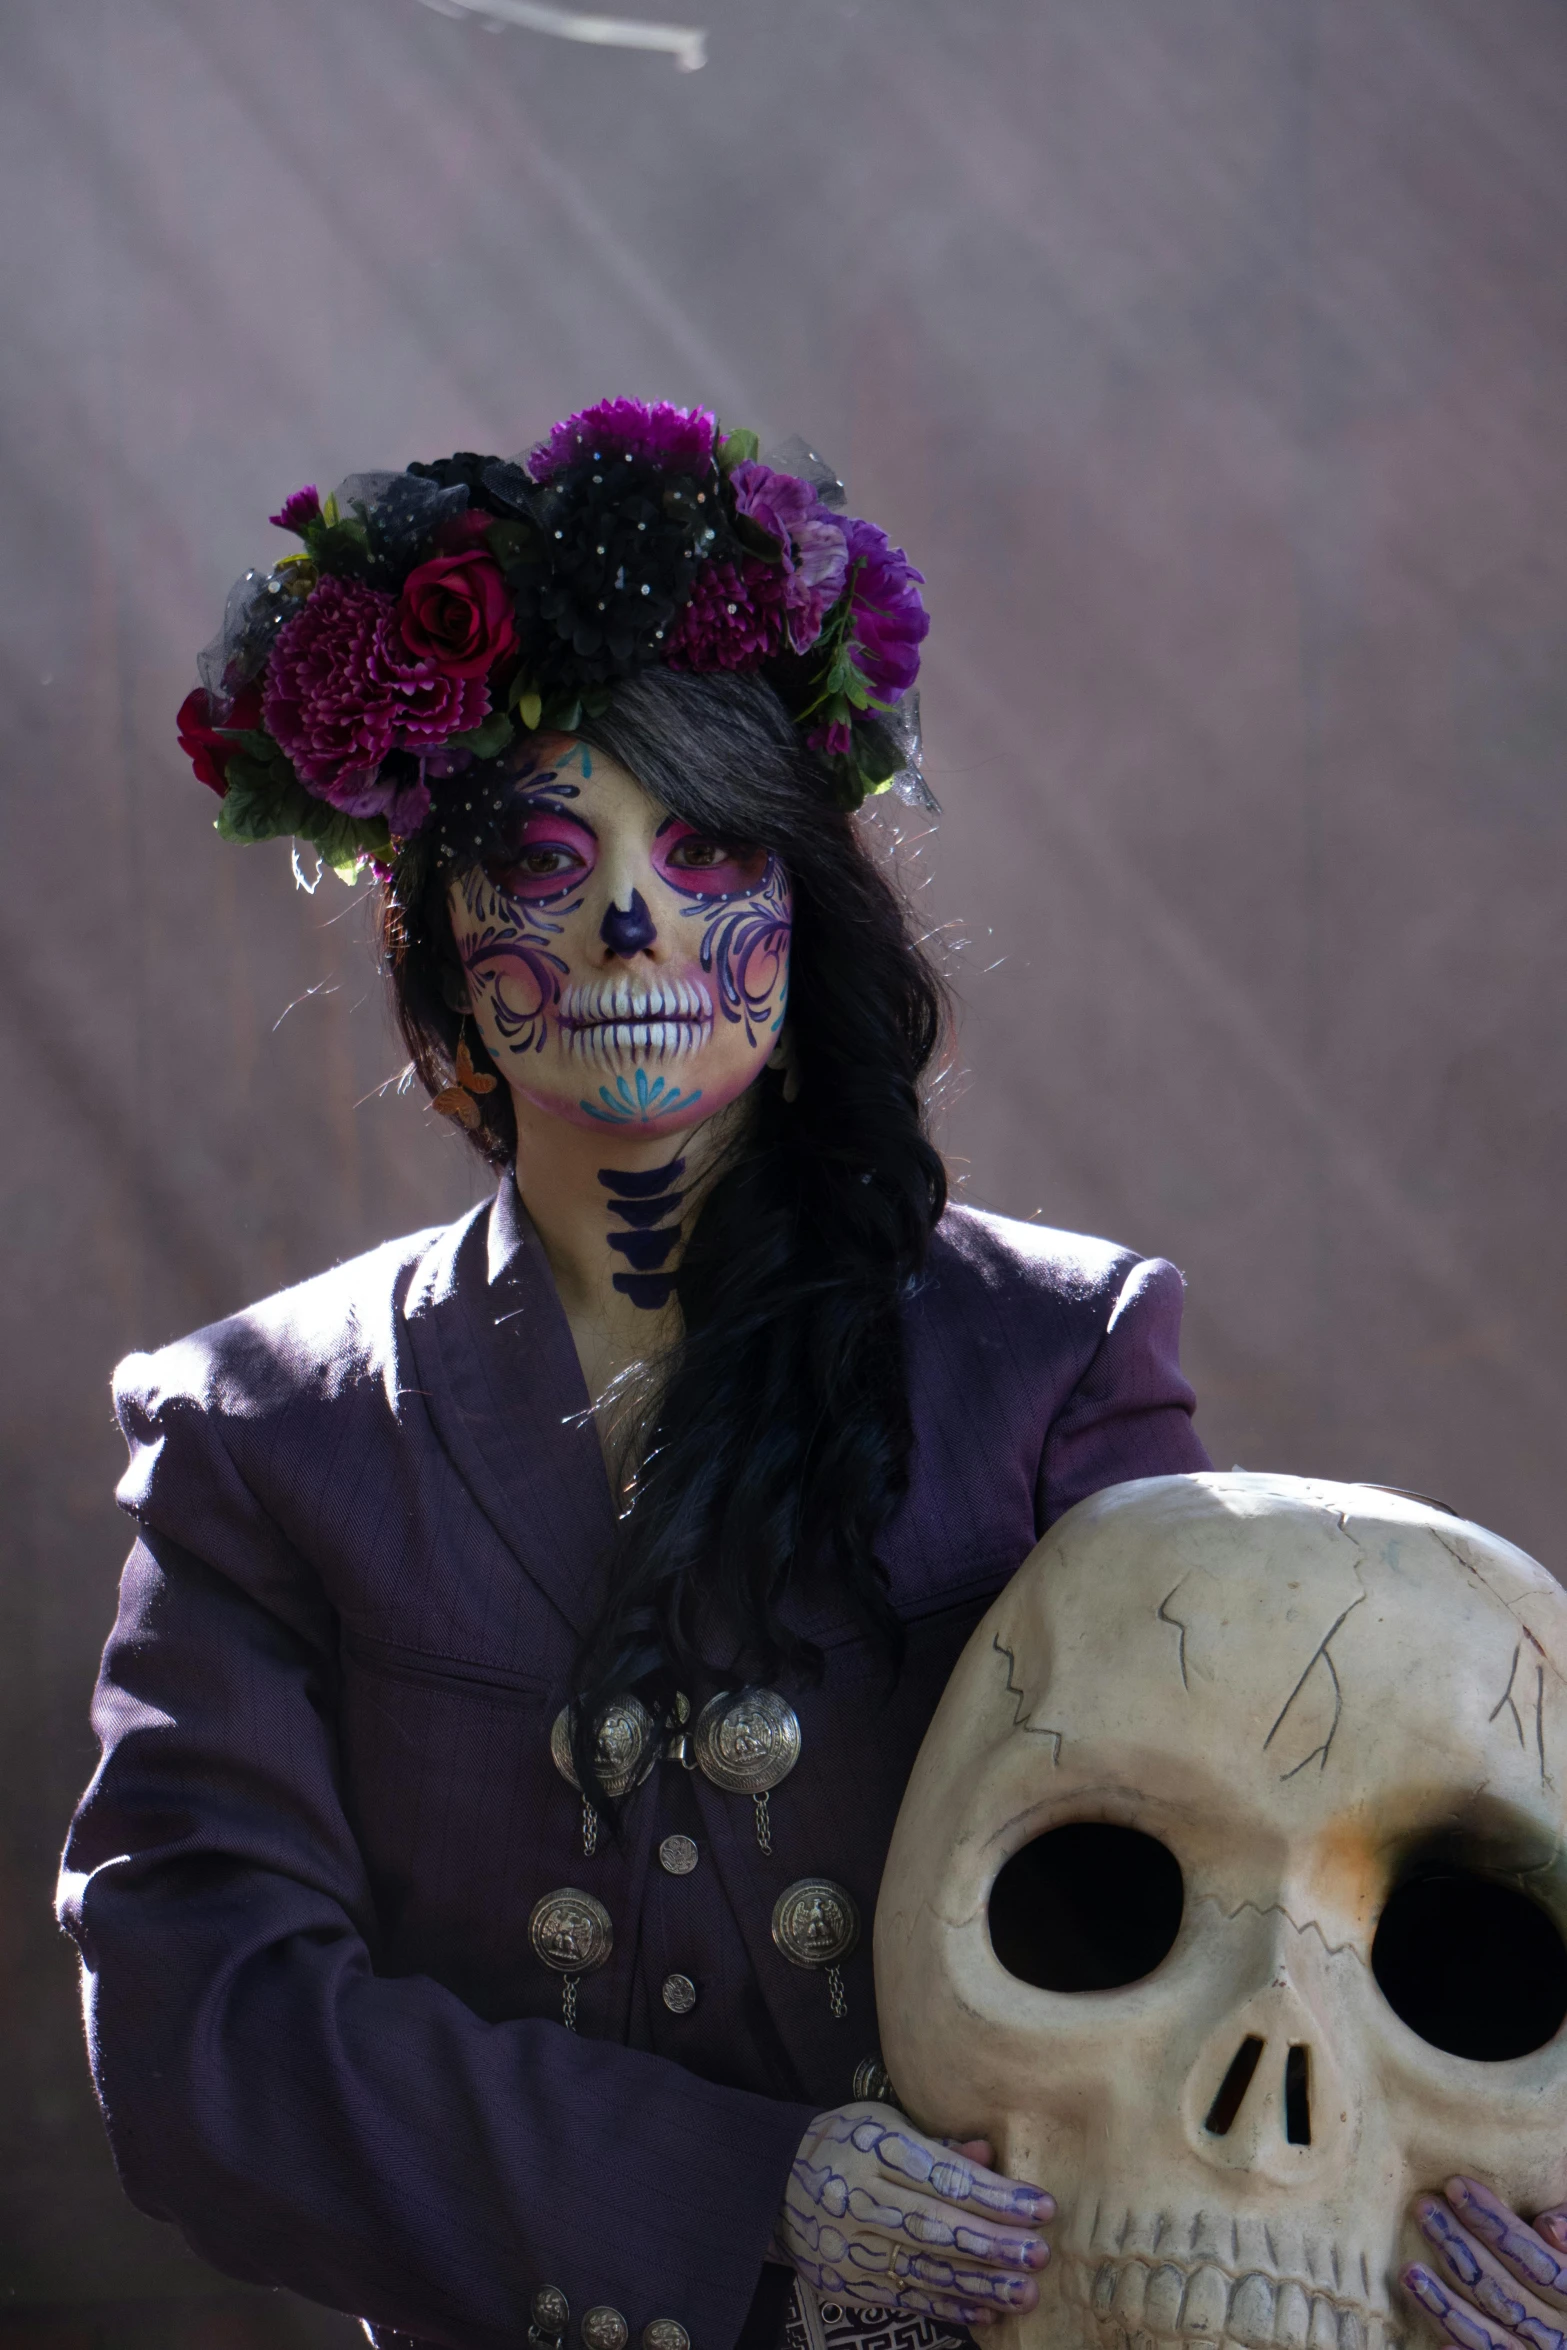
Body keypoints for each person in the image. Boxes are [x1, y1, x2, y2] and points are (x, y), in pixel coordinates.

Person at [58, 400, 1213, 2350]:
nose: (627, 918)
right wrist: (746, 2198)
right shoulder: (259, 1428)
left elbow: (1248, 1890)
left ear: (795, 904)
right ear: (430, 932)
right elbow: (203, 2018)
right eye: (540, 848)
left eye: (703, 844)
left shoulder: (1053, 1359)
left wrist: (1435, 2193)